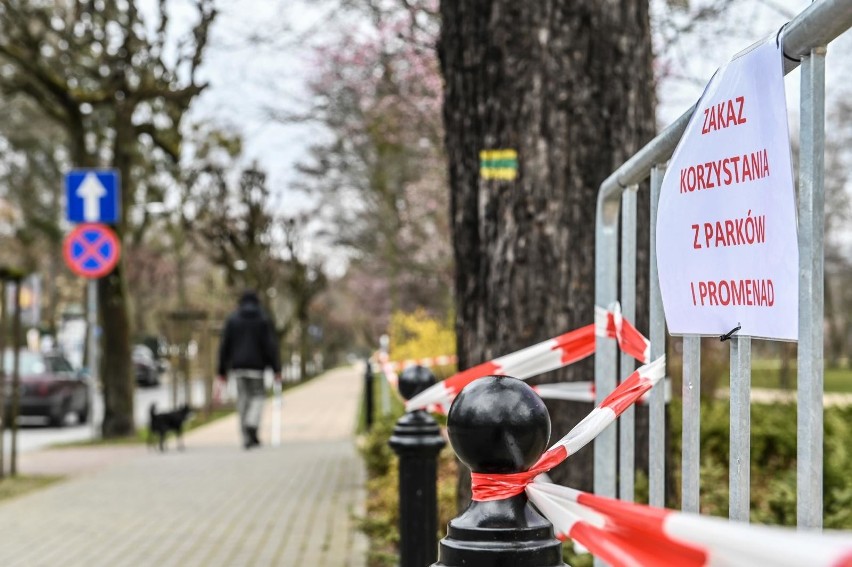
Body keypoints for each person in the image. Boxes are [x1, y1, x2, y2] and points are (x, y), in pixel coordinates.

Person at [217, 290, 281, 449]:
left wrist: (221, 370)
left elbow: (225, 346)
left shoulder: (233, 319)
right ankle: (252, 424)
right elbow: (270, 346)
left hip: (238, 367)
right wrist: (276, 368)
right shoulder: (263, 319)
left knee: (243, 401)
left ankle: (247, 437)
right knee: (258, 397)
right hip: (257, 367)